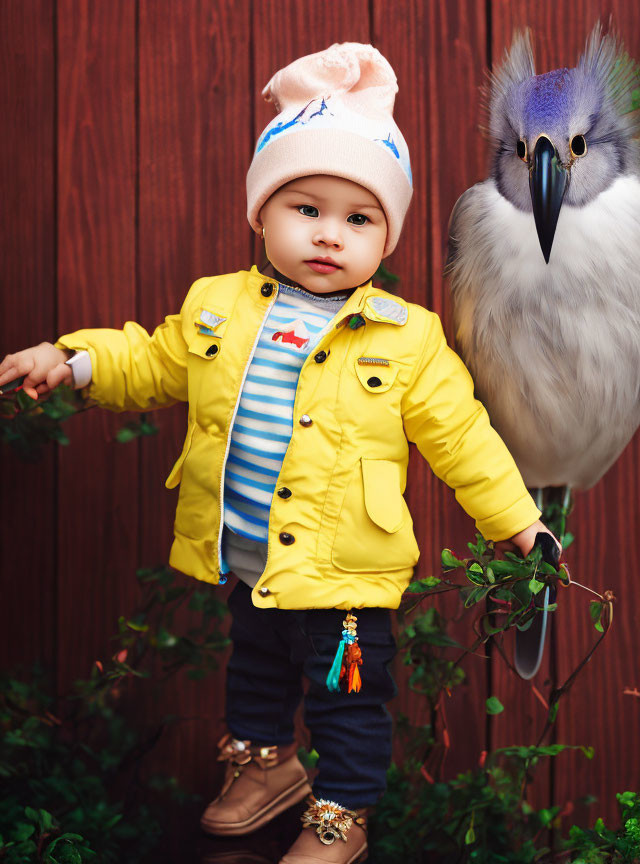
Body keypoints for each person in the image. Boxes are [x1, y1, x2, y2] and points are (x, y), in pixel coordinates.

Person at [0, 43, 559, 864]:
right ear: (261, 213)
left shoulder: (407, 340)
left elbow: (462, 436)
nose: (330, 234)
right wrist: (74, 361)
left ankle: (343, 815)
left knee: (347, 698)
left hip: (347, 573)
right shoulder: (217, 308)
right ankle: (266, 766)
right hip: (248, 556)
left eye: (358, 218)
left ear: (385, 238)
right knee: (255, 671)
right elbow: (152, 362)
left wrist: (518, 525)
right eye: (306, 208)